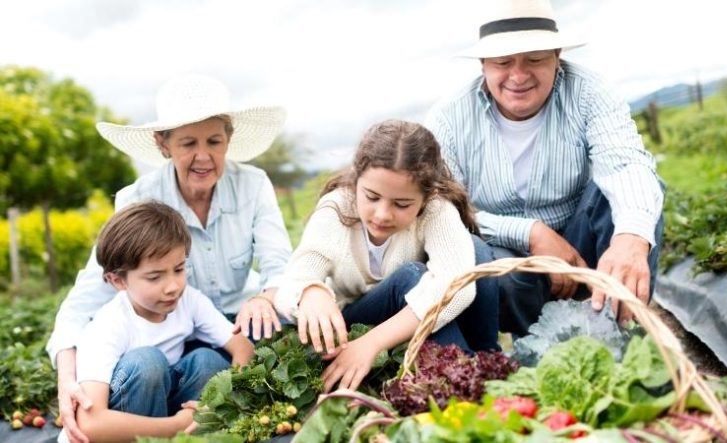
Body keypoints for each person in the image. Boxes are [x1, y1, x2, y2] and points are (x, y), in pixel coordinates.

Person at [45, 74, 292, 443]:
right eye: (188, 143)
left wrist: (263, 298)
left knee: (220, 360)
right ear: (163, 145)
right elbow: (86, 299)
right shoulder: (138, 199)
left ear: (229, 139)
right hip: (159, 332)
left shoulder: (253, 184)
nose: (203, 156)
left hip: (229, 324)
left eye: (214, 141)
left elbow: (280, 266)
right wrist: (68, 379)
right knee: (149, 364)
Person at [424, 0, 664, 337]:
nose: (519, 76)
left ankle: (620, 332)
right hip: (507, 254)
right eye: (503, 62)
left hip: (581, 243)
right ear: (483, 65)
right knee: (486, 260)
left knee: (636, 203)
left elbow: (626, 164)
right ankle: (537, 351)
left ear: (557, 56)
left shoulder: (589, 92)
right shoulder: (448, 119)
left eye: (535, 59)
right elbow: (443, 211)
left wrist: (630, 239)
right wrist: (531, 234)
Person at [265, 119, 500, 393]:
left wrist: (373, 343)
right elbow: (294, 277)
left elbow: (456, 290)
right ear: (356, 182)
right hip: (355, 324)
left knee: (476, 254)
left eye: (402, 204)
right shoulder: (337, 207)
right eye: (372, 197)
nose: (382, 214)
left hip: (407, 321)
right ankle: (468, 383)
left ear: (427, 196)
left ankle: (484, 363)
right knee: (411, 276)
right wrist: (310, 292)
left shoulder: (436, 210)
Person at [74, 201, 254, 441]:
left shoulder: (189, 300)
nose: (173, 287)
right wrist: (174, 425)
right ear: (118, 281)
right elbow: (90, 423)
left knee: (207, 360)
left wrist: (221, 399)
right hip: (119, 426)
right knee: (147, 362)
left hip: (165, 407)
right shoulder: (108, 326)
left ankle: (194, 436)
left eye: (179, 269)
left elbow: (242, 346)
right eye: (154, 277)